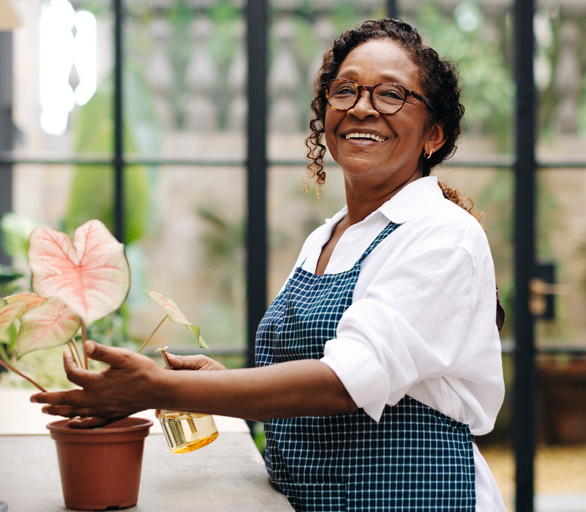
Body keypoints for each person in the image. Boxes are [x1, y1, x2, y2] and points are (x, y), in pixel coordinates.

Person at [32, 18, 506, 511]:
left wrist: (158, 387)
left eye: (391, 95)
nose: (362, 107)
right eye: (345, 90)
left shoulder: (442, 235)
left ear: (434, 134)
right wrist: (210, 381)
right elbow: (308, 384)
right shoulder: (327, 236)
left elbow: (343, 384)